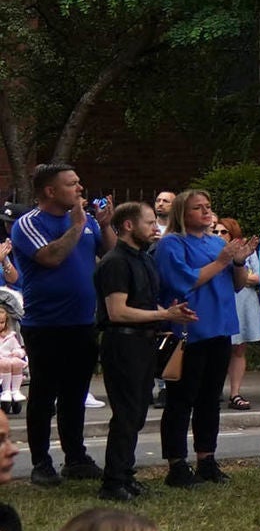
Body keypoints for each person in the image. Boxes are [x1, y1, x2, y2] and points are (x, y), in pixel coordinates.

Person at [88, 203, 181, 505]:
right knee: (127, 413)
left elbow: (142, 305)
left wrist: (168, 316)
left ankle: (125, 474)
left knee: (139, 411)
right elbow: (117, 312)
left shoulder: (144, 259)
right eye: (150, 222)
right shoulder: (115, 262)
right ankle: (113, 481)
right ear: (128, 225)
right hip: (122, 343)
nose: (156, 227)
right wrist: (163, 313)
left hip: (143, 342)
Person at [13, 165, 102, 485]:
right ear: (50, 191)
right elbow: (50, 257)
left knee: (75, 394)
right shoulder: (29, 224)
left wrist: (104, 226)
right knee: (43, 394)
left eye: (79, 182)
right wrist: (78, 225)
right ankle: (41, 461)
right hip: (46, 325)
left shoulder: (87, 221)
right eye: (72, 184)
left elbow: (109, 253)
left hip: (82, 321)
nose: (80, 188)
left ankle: (75, 457)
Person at [149, 191, 242, 489]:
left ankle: (207, 459)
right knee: (181, 399)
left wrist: (237, 262)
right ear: (182, 213)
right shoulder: (171, 244)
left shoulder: (217, 242)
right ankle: (176, 464)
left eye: (208, 207)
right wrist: (221, 261)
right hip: (189, 331)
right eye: (197, 208)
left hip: (220, 327)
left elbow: (238, 285)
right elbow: (185, 281)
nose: (205, 212)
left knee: (210, 399)